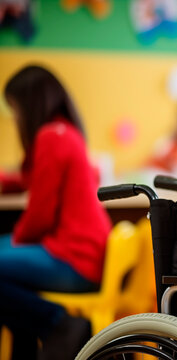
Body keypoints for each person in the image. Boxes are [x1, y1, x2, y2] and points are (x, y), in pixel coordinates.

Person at [0, 65, 111, 360]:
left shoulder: (51, 137)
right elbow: (30, 179)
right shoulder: (65, 132)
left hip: (75, 257)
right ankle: (35, 337)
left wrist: (15, 240)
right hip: (84, 252)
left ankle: (58, 323)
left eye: (15, 108)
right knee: (7, 264)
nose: (16, 118)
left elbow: (39, 218)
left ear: (30, 103)